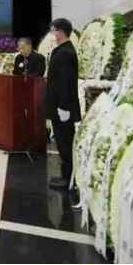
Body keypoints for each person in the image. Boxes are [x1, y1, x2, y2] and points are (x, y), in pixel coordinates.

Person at [46, 18, 81, 190]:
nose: (52, 34)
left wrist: (64, 107)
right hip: (59, 105)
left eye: (54, 30)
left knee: (65, 142)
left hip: (63, 107)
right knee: (62, 141)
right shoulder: (62, 50)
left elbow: (65, 83)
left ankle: (68, 179)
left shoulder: (65, 53)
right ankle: (66, 175)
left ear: (60, 32)